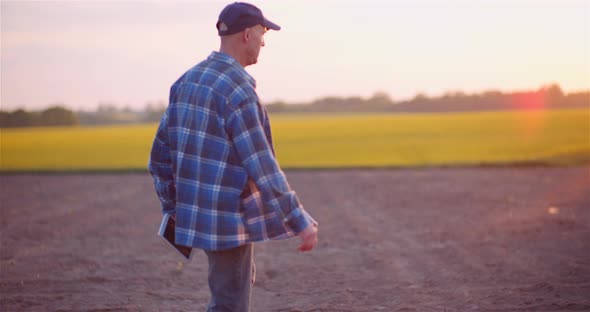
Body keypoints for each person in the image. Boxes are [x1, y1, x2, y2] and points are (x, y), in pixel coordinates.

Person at [148, 2, 318, 311]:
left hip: (199, 216)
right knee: (229, 304)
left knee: (229, 290)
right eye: (263, 32)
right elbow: (263, 167)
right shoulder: (238, 91)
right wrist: (299, 220)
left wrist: (174, 208)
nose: (264, 41)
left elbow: (159, 157)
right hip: (228, 222)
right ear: (246, 34)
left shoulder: (187, 81)